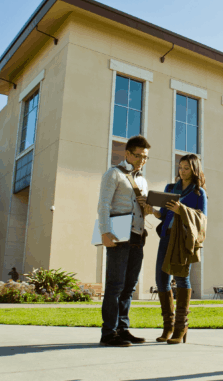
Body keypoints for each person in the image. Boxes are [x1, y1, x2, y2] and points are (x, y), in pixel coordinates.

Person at [97, 135, 153, 347]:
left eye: (145, 157)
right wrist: (105, 232)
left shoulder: (142, 180)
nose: (141, 160)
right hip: (119, 234)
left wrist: (148, 208)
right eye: (138, 155)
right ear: (127, 154)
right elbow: (103, 204)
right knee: (115, 285)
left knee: (129, 286)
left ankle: (123, 328)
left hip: (138, 236)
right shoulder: (113, 174)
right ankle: (109, 333)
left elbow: (142, 211)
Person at [151, 154, 207, 344]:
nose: (182, 171)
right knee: (161, 279)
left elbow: (202, 219)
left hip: (183, 240)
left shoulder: (199, 193)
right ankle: (168, 326)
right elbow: (164, 214)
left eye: (186, 168)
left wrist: (181, 209)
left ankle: (181, 327)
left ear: (194, 169)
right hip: (166, 237)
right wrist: (153, 211)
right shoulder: (170, 188)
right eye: (180, 167)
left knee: (182, 278)